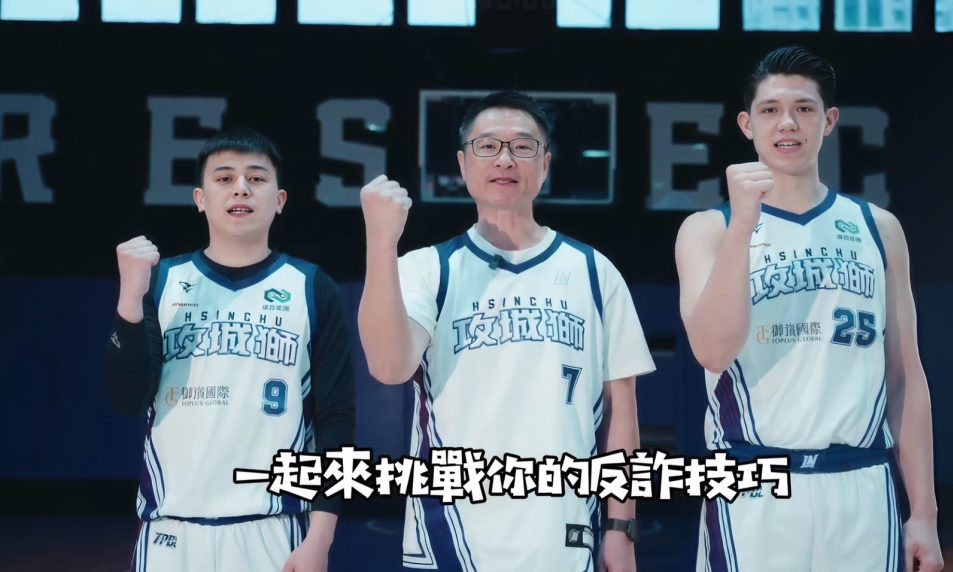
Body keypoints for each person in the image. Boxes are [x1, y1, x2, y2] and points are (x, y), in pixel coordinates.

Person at [358, 90, 655, 571]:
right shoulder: (427, 268)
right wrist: (380, 241)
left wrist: (621, 529)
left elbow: (622, 418)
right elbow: (389, 367)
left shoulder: (594, 271)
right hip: (449, 535)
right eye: (488, 146)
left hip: (562, 533)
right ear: (463, 163)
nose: (505, 159)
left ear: (545, 164)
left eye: (522, 146)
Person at [675, 46, 943, 572]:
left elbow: (905, 377)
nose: (788, 123)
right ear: (747, 125)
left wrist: (925, 514)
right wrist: (744, 225)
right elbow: (711, 351)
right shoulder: (708, 229)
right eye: (771, 110)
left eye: (804, 108)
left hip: (861, 482)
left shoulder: (878, 228)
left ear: (829, 121)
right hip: (752, 484)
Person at [104, 128, 355, 572]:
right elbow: (127, 399)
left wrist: (321, 538)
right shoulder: (161, 281)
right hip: (170, 531)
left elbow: (335, 419)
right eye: (224, 178)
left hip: (275, 528)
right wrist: (129, 297)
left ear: (279, 200)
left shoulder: (312, 288)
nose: (241, 188)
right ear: (200, 199)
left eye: (256, 178)